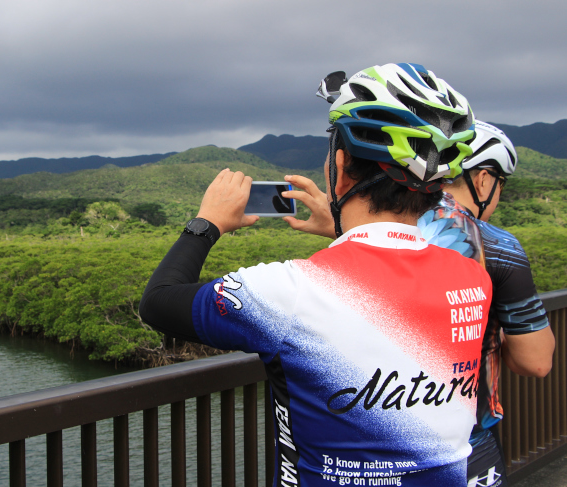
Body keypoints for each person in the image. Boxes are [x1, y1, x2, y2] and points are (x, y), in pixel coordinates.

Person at [140, 63, 492, 486]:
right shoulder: (472, 278)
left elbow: (159, 301)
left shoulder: (293, 292)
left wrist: (207, 222)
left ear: (340, 167)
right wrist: (344, 226)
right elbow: (393, 267)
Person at [416, 121, 555, 487]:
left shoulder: (385, 226)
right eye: (500, 184)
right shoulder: (497, 245)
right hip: (467, 441)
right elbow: (536, 362)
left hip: (375, 438)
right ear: (482, 180)